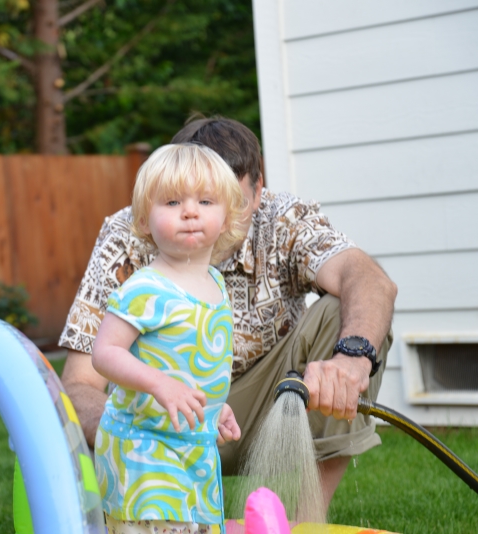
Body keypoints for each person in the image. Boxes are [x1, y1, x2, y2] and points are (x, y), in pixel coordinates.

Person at [60, 116, 398, 510]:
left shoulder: (282, 218)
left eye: (216, 201)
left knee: (350, 312)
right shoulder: (129, 233)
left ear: (257, 191)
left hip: (270, 405)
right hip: (156, 421)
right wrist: (137, 439)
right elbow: (79, 383)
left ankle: (306, 518)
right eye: (178, 199)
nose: (197, 216)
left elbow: (371, 280)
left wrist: (352, 359)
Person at [92, 143, 244, 533]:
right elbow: (105, 352)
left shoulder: (216, 284)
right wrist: (160, 384)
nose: (190, 211)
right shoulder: (146, 288)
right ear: (144, 220)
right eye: (173, 202)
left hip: (192, 447)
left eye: (205, 201)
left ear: (227, 217)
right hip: (143, 450)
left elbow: (194, 362)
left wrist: (214, 408)